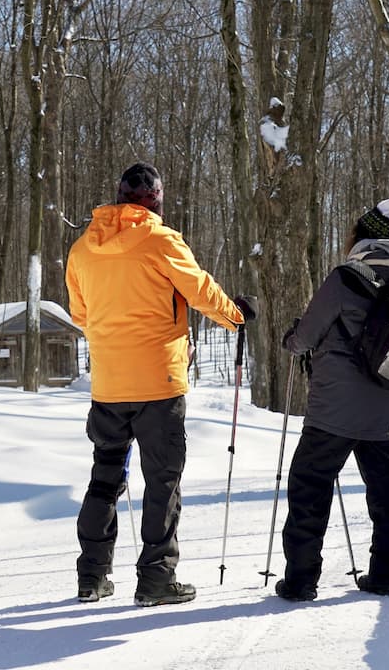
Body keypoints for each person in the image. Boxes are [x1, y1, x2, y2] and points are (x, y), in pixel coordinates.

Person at [65, 161, 257, 607]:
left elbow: (80, 315)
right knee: (162, 481)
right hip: (159, 383)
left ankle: (91, 577)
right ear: (156, 199)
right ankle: (155, 579)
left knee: (104, 479)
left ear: (118, 196)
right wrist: (235, 315)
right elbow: (201, 290)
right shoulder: (160, 240)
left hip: (108, 385)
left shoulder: (82, 249)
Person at [277, 198, 389, 601]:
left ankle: (302, 581)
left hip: (333, 411)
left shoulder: (345, 278)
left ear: (362, 237)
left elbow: (306, 335)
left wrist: (291, 339)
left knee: (310, 485)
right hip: (386, 409)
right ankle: (387, 575)